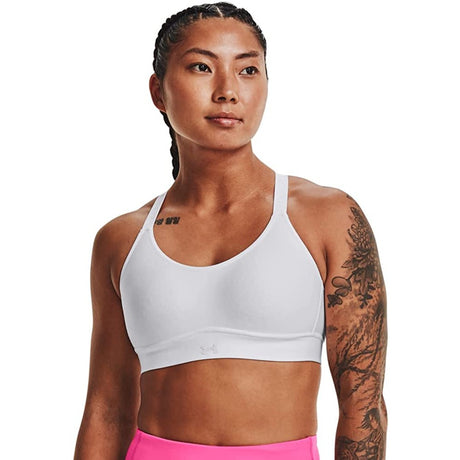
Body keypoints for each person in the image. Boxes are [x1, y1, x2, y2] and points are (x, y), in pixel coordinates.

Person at [74, 2, 387, 459]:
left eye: (248, 70)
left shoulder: (328, 218)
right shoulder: (122, 240)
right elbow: (107, 408)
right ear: (158, 91)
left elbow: (363, 404)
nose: (227, 91)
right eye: (202, 67)